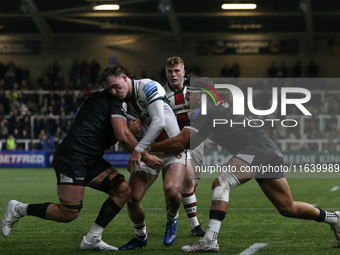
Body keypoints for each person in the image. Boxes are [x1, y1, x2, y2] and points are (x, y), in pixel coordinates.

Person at [149, 76, 340, 252]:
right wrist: (155, 151)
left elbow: (180, 142)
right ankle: (335, 218)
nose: (186, 95)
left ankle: (209, 240)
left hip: (256, 149)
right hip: (268, 150)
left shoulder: (204, 110)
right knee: (287, 208)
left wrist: (144, 148)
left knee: (221, 184)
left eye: (189, 91)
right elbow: (188, 144)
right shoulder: (214, 108)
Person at [1, 85, 162, 251]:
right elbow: (121, 134)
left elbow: (111, 131)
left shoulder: (106, 100)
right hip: (73, 156)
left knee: (122, 190)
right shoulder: (112, 101)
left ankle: (93, 239)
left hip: (90, 158)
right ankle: (18, 209)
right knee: (68, 212)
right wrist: (143, 152)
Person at [97, 65, 186, 249]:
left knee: (171, 191)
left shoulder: (148, 86)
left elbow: (159, 122)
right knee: (132, 198)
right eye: (109, 89)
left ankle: (172, 220)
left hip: (171, 149)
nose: (114, 92)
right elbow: (120, 133)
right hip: (148, 152)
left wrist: (137, 151)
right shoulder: (116, 102)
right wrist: (130, 132)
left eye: (115, 86)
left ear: (124, 77)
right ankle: (140, 236)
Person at [163, 56, 205, 236]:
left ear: (183, 72)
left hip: (195, 143)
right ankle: (191, 225)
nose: (173, 75)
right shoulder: (161, 95)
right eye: (170, 71)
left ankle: (178, 217)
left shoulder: (194, 91)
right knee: (177, 185)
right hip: (174, 144)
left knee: (191, 185)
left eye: (176, 71)